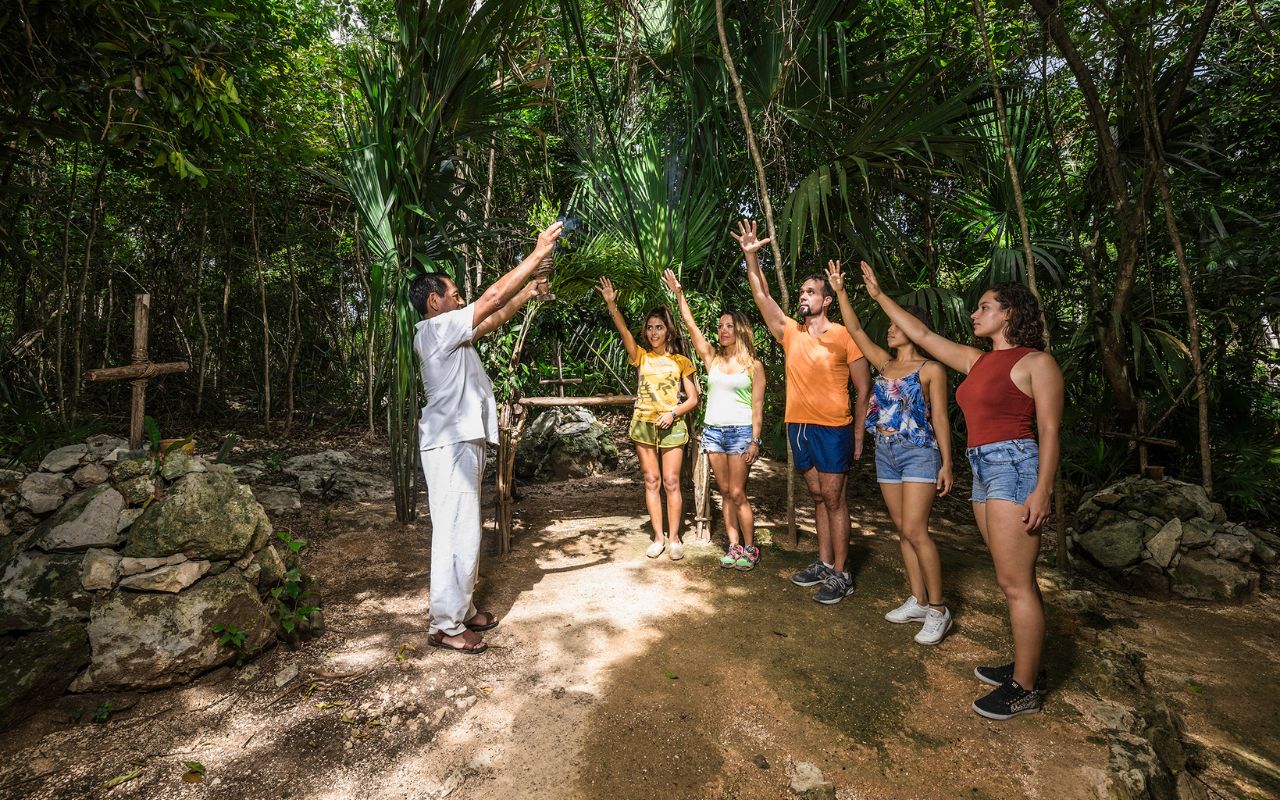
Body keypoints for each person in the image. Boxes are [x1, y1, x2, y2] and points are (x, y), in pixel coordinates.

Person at [860, 261, 1063, 720]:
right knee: (1010, 577)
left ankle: (1026, 686)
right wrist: (878, 295)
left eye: (984, 307)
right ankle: (1026, 666)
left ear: (1009, 314)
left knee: (1015, 583)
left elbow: (1050, 430)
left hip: (1016, 466)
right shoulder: (979, 361)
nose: (975, 314)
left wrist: (1043, 490)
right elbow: (924, 338)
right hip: (983, 468)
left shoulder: (1036, 363)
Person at [410, 221, 562, 654]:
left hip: (462, 440)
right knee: (455, 530)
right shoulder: (435, 329)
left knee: (465, 527)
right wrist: (535, 255)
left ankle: (462, 606)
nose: (461, 299)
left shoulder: (450, 332)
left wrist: (531, 291)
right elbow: (491, 298)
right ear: (434, 301)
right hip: (450, 443)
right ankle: (445, 624)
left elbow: (494, 317)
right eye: (454, 294)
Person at [733, 219, 871, 604]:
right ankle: (825, 563)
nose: (803, 296)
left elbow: (864, 389)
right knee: (816, 495)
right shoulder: (790, 331)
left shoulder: (844, 336)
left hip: (833, 428)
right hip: (800, 426)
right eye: (802, 291)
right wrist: (751, 256)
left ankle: (843, 574)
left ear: (826, 300)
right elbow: (761, 295)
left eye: (811, 291)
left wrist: (859, 435)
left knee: (834, 498)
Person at [826, 260, 954, 645]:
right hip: (886, 453)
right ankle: (917, 599)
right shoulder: (884, 364)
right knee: (902, 531)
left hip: (920, 454)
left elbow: (942, 419)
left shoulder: (931, 369)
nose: (890, 328)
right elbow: (856, 329)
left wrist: (947, 462)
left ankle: (938, 609)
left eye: (897, 324)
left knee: (917, 530)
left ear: (914, 330)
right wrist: (842, 291)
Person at [661, 269, 766, 571]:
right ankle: (733, 546)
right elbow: (691, 326)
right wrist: (679, 294)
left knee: (737, 492)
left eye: (728, 326)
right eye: (720, 326)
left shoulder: (754, 366)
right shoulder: (713, 359)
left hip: (741, 433)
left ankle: (750, 547)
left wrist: (756, 440)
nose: (722, 331)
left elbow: (757, 407)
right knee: (724, 493)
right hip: (714, 433)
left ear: (740, 330)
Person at [597, 276, 700, 561]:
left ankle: (675, 537)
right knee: (651, 481)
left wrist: (672, 413)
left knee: (671, 482)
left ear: (668, 331)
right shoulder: (640, 356)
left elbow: (692, 399)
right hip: (643, 424)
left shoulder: (681, 361)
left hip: (672, 425)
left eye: (660, 327)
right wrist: (612, 305)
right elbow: (623, 332)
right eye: (650, 328)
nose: (654, 332)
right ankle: (658, 537)